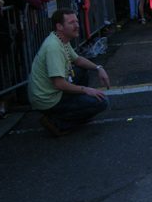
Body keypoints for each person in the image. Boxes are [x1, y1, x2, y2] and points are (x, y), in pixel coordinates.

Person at [28, 8, 109, 136]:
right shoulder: (53, 48)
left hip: (52, 92)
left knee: (83, 71)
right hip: (47, 99)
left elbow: (77, 60)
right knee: (102, 103)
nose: (77, 25)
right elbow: (58, 84)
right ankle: (56, 121)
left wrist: (99, 68)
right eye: (71, 23)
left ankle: (76, 111)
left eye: (76, 21)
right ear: (59, 26)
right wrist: (86, 90)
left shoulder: (61, 40)